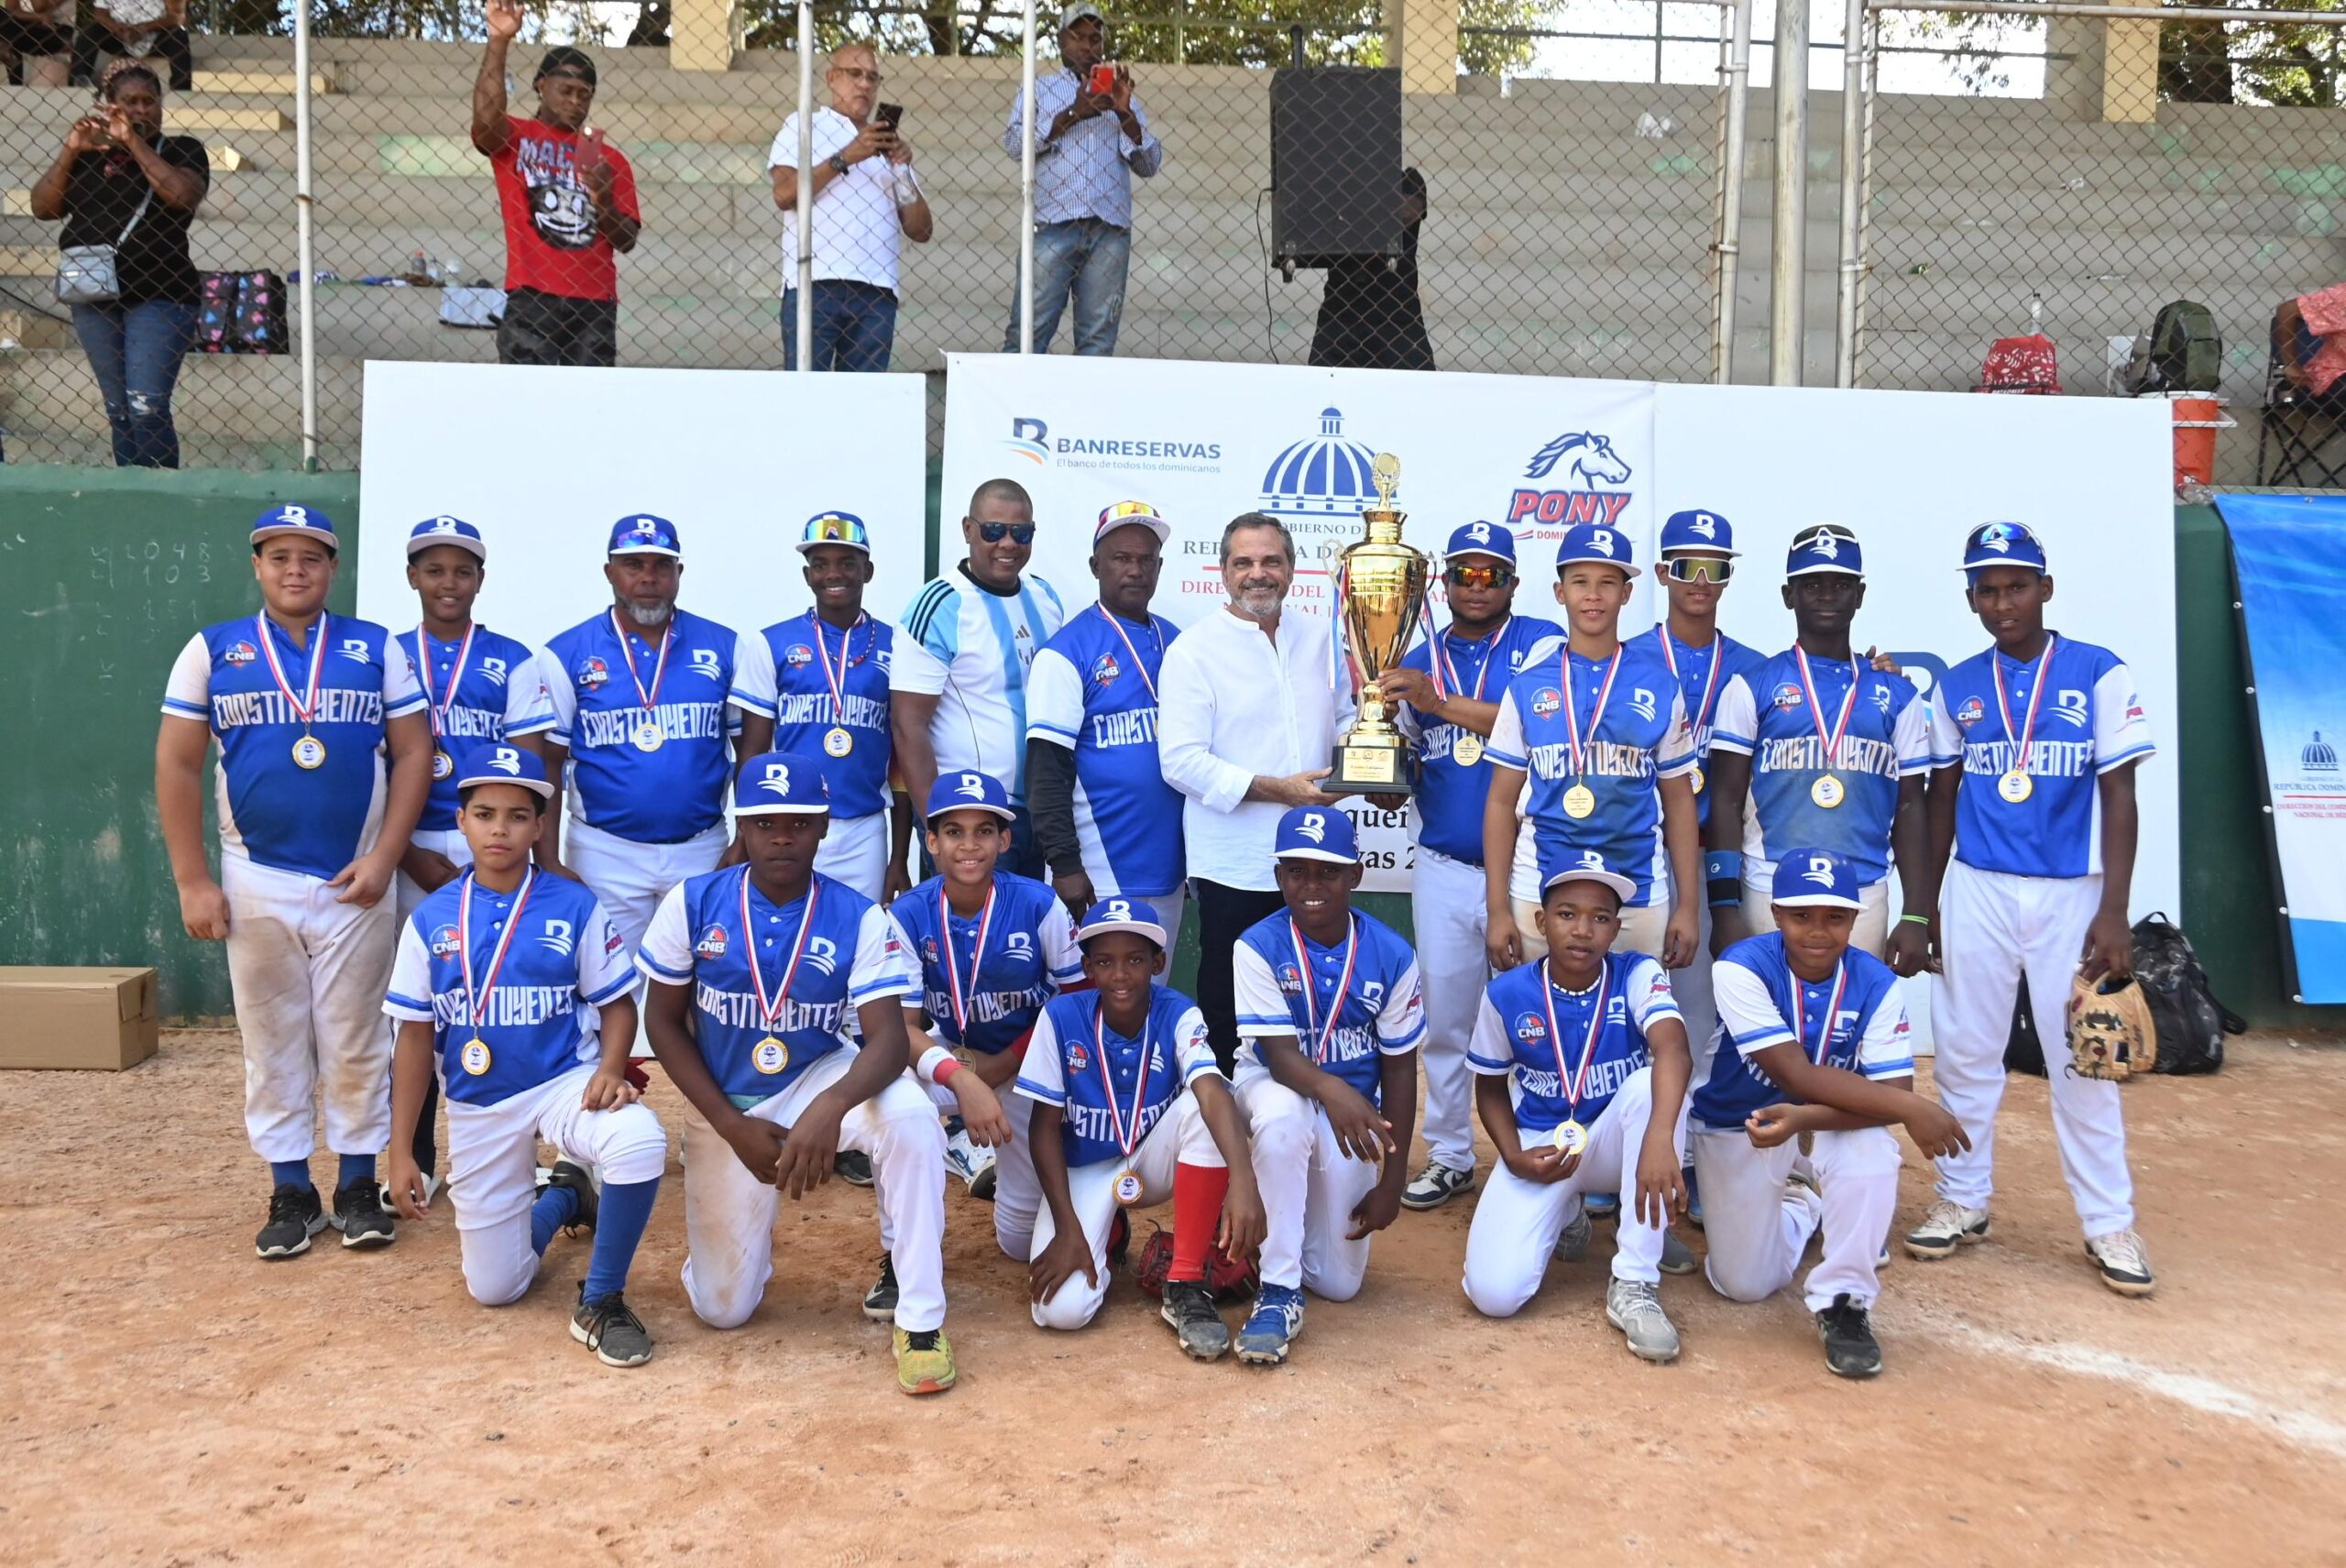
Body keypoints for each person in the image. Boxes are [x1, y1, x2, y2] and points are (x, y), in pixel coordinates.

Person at [155, 504, 433, 1259]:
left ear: (333, 567)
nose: (295, 570)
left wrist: (385, 857)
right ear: (257, 565)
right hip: (256, 874)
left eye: (311, 557)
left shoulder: (374, 648)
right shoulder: (213, 649)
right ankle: (290, 1189)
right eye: (279, 556)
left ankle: (355, 1185)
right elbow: (177, 762)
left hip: (355, 874)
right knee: (272, 1038)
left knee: (356, 1035)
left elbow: (413, 753)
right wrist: (192, 879)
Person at [637, 751, 959, 1395]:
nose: (781, 837)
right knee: (723, 1309)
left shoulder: (858, 915)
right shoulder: (694, 902)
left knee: (912, 1117)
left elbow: (888, 1040)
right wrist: (730, 1126)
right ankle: (735, 1240)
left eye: (798, 823)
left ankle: (921, 1319)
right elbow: (663, 1023)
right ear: (742, 826)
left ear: (823, 827)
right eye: (765, 823)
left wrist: (830, 1106)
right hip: (725, 1096)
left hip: (816, 1073)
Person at [1902, 521, 2158, 1296]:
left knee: (2083, 1057)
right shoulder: (1957, 684)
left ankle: (2108, 1221)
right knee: (1965, 1052)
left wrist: (2113, 909)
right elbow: (1939, 798)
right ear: (1970, 598)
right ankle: (1962, 1197)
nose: (2003, 601)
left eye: (2016, 585)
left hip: (2071, 888)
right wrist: (1924, 907)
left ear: (2045, 587)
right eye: (1987, 588)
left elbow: (2120, 794)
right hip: (1979, 883)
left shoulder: (2097, 671)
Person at [382, 745, 665, 1368]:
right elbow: (414, 1039)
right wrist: (401, 1149)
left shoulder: (573, 904)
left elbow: (619, 1007)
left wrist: (610, 1068)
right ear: (461, 821)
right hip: (478, 1099)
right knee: (496, 1288)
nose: (500, 829)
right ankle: (565, 1195)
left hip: (562, 1081)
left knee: (639, 1139)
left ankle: (601, 1298)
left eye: (517, 816)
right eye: (485, 814)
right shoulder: (430, 919)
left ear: (540, 826)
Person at [1687, 849, 1969, 1378]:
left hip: (1825, 1124)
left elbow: (1887, 1092)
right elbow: (1796, 1075)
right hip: (1739, 1122)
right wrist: (1913, 1108)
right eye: (1802, 915)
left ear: (1855, 918)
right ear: (1776, 913)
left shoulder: (1876, 982)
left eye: (1835, 916)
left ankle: (1844, 1300)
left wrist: (1811, 1119)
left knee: (1872, 1153)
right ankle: (1804, 1203)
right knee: (1744, 1285)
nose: (1818, 931)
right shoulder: (1741, 966)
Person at [1370, 521, 1562, 1212]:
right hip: (1445, 864)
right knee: (1448, 1023)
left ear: (1514, 582)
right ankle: (1452, 1154)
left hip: (1532, 867)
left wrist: (1437, 701)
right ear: (1442, 582)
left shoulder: (1541, 642)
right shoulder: (1416, 656)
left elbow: (1531, 721)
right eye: (1464, 574)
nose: (1477, 586)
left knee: (1540, 1017)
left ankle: (1550, 1149)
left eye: (1492, 575)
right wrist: (1380, 769)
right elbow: (1406, 768)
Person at [1458, 855, 1693, 1364]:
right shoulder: (1506, 993)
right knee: (1493, 1295)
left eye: (1600, 917)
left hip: (1618, 1140)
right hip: (1544, 1145)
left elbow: (1674, 1050)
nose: (1583, 930)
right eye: (1567, 914)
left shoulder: (1637, 973)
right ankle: (1566, 1214)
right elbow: (1491, 1087)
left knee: (1650, 1088)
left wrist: (1659, 1139)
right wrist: (1513, 1155)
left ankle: (1634, 1281)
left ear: (1616, 928)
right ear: (1541, 922)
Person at [1018, 896, 1264, 1360]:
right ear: (1087, 967)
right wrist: (1069, 1229)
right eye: (1105, 962)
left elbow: (1211, 1091)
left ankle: (1185, 1280)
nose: (1120, 974)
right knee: (1061, 1311)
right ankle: (1107, 1232)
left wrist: (1244, 1179)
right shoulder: (1061, 1016)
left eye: (1135, 960)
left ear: (1158, 962)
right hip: (1087, 1168)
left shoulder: (1179, 1012)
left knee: (1204, 1106)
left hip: (1152, 1158)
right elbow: (1043, 1128)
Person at [392, 514, 556, 1201]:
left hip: (490, 840)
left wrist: (504, 852)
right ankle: (416, 1155)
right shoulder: (388, 654)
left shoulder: (512, 659)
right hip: (406, 843)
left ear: (481, 580)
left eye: (462, 571)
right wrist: (403, 852)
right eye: (434, 569)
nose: (448, 583)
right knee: (417, 1009)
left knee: (503, 995)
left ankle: (520, 1152)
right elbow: (374, 764)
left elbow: (530, 769)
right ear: (412, 577)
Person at [1227, 806, 1424, 1365]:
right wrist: (1335, 1092)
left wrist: (1392, 1182)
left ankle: (1280, 1223)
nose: (1311, 885)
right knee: (1285, 1119)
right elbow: (1281, 1060)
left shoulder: (1392, 953)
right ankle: (1278, 1290)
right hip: (1272, 1087)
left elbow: (1401, 1068)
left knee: (1340, 1284)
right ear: (1279, 876)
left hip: (1352, 1115)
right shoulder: (1257, 944)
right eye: (1297, 871)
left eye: (1329, 871)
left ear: (1355, 875)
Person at [1157, 511, 1352, 1072]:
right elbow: (1180, 761)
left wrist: (1362, 772)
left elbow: (1346, 719)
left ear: (1291, 569)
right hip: (1236, 863)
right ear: (1223, 572)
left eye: (1271, 561)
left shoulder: (1321, 637)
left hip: (1315, 853)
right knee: (1231, 1002)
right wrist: (1278, 790)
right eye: (1243, 562)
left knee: (1315, 995)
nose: (1258, 573)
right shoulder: (1193, 651)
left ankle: (1311, 1107)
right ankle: (1227, 1108)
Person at [1705, 525, 1932, 969]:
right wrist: (1724, 907)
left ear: (1860, 595)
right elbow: (1726, 800)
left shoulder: (1897, 694)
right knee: (1765, 1011)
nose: (1827, 595)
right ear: (1788, 595)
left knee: (1854, 1010)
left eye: (1841, 584)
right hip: (1769, 884)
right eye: (1811, 584)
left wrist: (1916, 914)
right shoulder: (1752, 686)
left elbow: (1911, 806)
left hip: (1863, 889)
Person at [1483, 522, 1701, 970]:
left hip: (1637, 891)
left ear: (1627, 593)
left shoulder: (1660, 685)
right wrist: (1498, 909)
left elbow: (1679, 800)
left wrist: (1688, 907)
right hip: (1540, 889)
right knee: (1538, 1011)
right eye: (1580, 582)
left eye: (1608, 583)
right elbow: (1501, 802)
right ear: (1560, 592)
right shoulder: (1526, 687)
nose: (1593, 596)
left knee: (1638, 1012)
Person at [540, 515, 740, 975]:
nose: (648, 578)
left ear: (679, 573)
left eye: (661, 565)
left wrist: (744, 838)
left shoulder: (725, 647)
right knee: (608, 982)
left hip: (702, 847)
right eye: (634, 565)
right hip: (605, 851)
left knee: (704, 982)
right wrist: (547, 859)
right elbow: (547, 763)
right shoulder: (566, 653)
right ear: (610, 571)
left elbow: (751, 750)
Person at [892, 770, 1082, 1214]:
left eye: (984, 831)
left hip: (1032, 1060)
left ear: (1004, 840)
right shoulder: (909, 913)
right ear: (932, 841)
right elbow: (902, 1029)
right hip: (955, 1055)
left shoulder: (1038, 903)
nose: (969, 845)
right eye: (954, 832)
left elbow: (1077, 1001)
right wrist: (961, 1079)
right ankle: (904, 1244)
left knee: (1018, 1238)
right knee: (894, 1095)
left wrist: (1004, 1064)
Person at [732, 511, 943, 904]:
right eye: (820, 564)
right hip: (789, 824)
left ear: (868, 570)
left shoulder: (897, 645)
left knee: (860, 933)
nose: (833, 574)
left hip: (864, 829)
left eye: (847, 563)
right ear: (807, 575)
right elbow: (752, 752)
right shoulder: (771, 643)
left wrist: (899, 856)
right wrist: (742, 836)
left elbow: (901, 759)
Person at [1636, 510, 1763, 1078]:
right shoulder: (1626, 658)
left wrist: (1876, 672)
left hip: (1719, 853)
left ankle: (1693, 1128)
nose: (1702, 581)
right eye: (1688, 567)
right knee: (1632, 1003)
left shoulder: (1755, 669)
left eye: (1716, 568)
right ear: (1663, 573)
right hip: (1639, 850)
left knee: (1702, 1006)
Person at [29, 63, 206, 468]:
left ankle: (158, 493)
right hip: (93, 294)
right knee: (119, 409)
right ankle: (131, 488)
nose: (141, 109)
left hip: (161, 293)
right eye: (130, 102)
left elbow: (182, 196)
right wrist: (71, 149)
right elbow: (43, 208)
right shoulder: (90, 156)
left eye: (149, 101)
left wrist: (133, 142)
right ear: (110, 106)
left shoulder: (181, 149)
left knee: (146, 407)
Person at [1025, 499, 1187, 933]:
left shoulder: (1180, 644)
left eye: (1146, 560)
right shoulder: (1066, 652)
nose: (1135, 570)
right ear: (1096, 566)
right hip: (1099, 871)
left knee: (1156, 977)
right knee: (1094, 979)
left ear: (1159, 567)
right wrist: (1065, 865)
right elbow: (1046, 770)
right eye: (1121, 558)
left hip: (1171, 870)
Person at [903, 477, 1065, 879]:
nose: (1008, 543)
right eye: (993, 530)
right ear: (968, 529)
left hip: (1038, 814)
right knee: (972, 922)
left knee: (1027, 921)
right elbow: (908, 726)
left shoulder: (1045, 598)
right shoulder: (939, 605)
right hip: (971, 819)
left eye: (1021, 532)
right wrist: (937, 827)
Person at [472, 2, 641, 368]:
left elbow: (626, 240)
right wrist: (499, 41)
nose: (575, 102)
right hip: (532, 293)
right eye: (566, 90)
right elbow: (485, 122)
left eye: (585, 94)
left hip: (594, 300)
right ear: (541, 85)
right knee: (527, 396)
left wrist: (603, 200)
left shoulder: (610, 160)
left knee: (589, 399)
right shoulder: (516, 136)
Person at [1000, 2, 1160, 356]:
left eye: (1095, 38)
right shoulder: (1039, 88)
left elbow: (1149, 164)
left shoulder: (1120, 94)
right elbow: (1013, 144)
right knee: (1027, 334)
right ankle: (1015, 392)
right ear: (1061, 41)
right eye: (1078, 38)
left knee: (1097, 344)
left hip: (1109, 230)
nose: (1088, 46)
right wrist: (1074, 113)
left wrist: (1126, 114)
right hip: (1052, 224)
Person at [768, 42, 932, 371]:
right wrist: (846, 157)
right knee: (806, 392)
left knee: (864, 398)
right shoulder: (805, 125)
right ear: (832, 78)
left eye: (872, 77)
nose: (864, 84)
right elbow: (784, 194)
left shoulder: (883, 142)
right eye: (854, 74)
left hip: (878, 290)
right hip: (816, 281)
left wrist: (901, 169)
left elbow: (921, 230)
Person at [1307, 167, 1433, 372]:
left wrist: (1356, 205)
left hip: (1396, 312)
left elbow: (1408, 211)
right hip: (1341, 309)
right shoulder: (1338, 182)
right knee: (1322, 383)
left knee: (1418, 386)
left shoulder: (1407, 179)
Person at [3, 0, 73, 87]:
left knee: (12, 38)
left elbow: (39, 6)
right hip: (29, 26)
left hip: (60, 30)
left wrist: (41, 16)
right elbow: (11, 11)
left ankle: (6, 48)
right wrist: (40, 17)